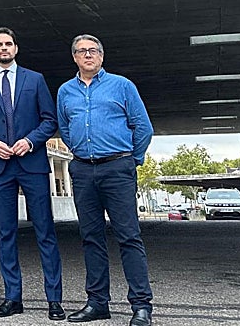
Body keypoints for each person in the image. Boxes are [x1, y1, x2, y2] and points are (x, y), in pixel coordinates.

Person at [56, 35, 154, 326]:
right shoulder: (65, 91)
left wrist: (131, 160)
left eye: (93, 51)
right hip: (83, 170)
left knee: (129, 237)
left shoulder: (122, 86)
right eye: (82, 51)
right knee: (90, 238)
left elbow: (143, 127)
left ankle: (141, 305)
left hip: (118, 168)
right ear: (74, 57)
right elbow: (64, 128)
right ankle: (97, 303)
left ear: (101, 55)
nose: (88, 55)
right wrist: (79, 152)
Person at [0, 27, 65, 320]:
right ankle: (13, 297)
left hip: (32, 164)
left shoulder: (34, 80)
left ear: (16, 48)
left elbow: (50, 120)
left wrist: (30, 141)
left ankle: (54, 299)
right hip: (0, 167)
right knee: (5, 233)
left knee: (45, 232)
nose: (4, 48)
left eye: (8, 44)